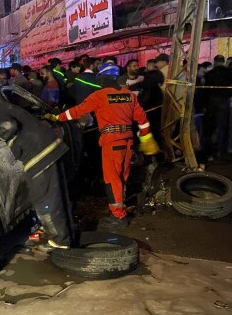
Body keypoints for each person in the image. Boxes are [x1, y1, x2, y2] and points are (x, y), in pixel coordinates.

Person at [48, 63, 159, 227]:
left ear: (103, 78)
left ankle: (119, 217)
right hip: (128, 142)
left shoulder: (100, 95)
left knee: (112, 179)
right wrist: (146, 140)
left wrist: (57, 118)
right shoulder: (129, 95)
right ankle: (120, 207)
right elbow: (143, 121)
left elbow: (78, 111)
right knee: (122, 177)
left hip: (111, 143)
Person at [0, 101, 72, 250]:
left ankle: (60, 242)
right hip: (49, 146)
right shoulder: (4, 105)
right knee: (56, 195)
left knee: (44, 199)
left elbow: (8, 126)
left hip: (39, 154)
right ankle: (62, 234)